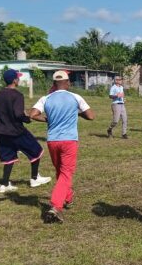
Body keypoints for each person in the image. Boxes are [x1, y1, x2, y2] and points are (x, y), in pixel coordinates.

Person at [29, 71, 95, 223]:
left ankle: (68, 196)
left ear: (54, 84)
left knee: (60, 171)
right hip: (69, 140)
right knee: (66, 173)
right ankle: (56, 206)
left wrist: (47, 119)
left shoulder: (46, 98)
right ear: (68, 83)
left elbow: (32, 114)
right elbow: (91, 116)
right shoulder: (75, 97)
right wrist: (78, 114)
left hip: (52, 140)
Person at [0, 69, 51, 193]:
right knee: (36, 151)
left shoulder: (0, 94)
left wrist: (3, 119)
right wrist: (27, 118)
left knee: (9, 157)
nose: (19, 79)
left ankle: (4, 184)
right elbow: (18, 114)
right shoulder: (17, 95)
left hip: (2, 132)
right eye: (18, 78)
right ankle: (35, 178)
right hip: (16, 132)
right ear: (15, 80)